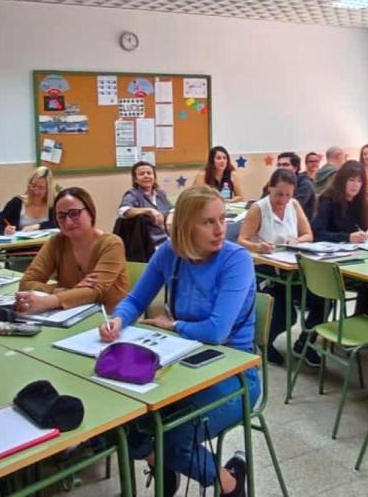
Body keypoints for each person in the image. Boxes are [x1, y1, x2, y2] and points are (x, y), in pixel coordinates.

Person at [100, 185, 256, 497]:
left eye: (222, 219)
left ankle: (230, 483)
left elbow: (216, 332)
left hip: (234, 376)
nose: (220, 229)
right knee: (114, 421)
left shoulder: (235, 260)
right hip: (182, 364)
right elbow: (135, 299)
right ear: (185, 226)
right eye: (208, 222)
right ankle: (163, 464)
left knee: (174, 437)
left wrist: (174, 325)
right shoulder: (169, 254)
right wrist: (117, 320)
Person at [238, 169, 313, 365]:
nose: (283, 199)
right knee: (285, 313)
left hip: (292, 266)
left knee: (322, 300)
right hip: (267, 267)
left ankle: (307, 344)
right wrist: (258, 247)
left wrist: (297, 239)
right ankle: (265, 342)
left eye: (288, 195)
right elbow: (242, 240)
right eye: (279, 193)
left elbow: (308, 235)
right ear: (270, 188)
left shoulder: (294, 206)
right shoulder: (259, 208)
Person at [17, 187, 130, 313]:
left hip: (110, 318)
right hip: (70, 314)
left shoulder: (112, 244)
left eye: (74, 213)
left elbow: (95, 292)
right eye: (61, 216)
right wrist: (58, 291)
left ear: (90, 212)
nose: (68, 222)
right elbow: (26, 283)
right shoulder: (56, 242)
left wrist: (47, 301)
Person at [310, 161, 368, 323]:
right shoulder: (329, 201)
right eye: (351, 180)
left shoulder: (362, 202)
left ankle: (362, 330)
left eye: (360, 181)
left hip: (360, 261)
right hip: (335, 265)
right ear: (342, 181)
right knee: (367, 286)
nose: (356, 185)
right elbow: (317, 233)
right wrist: (347, 237)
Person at [119, 161, 172, 247]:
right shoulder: (133, 194)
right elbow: (123, 211)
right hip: (150, 244)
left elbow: (171, 209)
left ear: (154, 177)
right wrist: (149, 211)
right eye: (141, 174)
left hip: (168, 238)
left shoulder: (160, 194)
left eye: (149, 173)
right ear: (135, 179)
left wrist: (171, 215)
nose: (146, 176)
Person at [0, 166, 56, 235]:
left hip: (46, 244)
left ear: (48, 189)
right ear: (29, 185)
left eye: (41, 188)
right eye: (33, 186)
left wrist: (38, 226)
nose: (36, 191)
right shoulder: (16, 203)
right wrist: (5, 230)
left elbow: (58, 222)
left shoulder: (53, 204)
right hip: (21, 245)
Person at [275, 151, 317, 216]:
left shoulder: (305, 185)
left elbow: (290, 207)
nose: (281, 168)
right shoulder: (275, 182)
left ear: (295, 168)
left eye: (285, 165)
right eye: (279, 165)